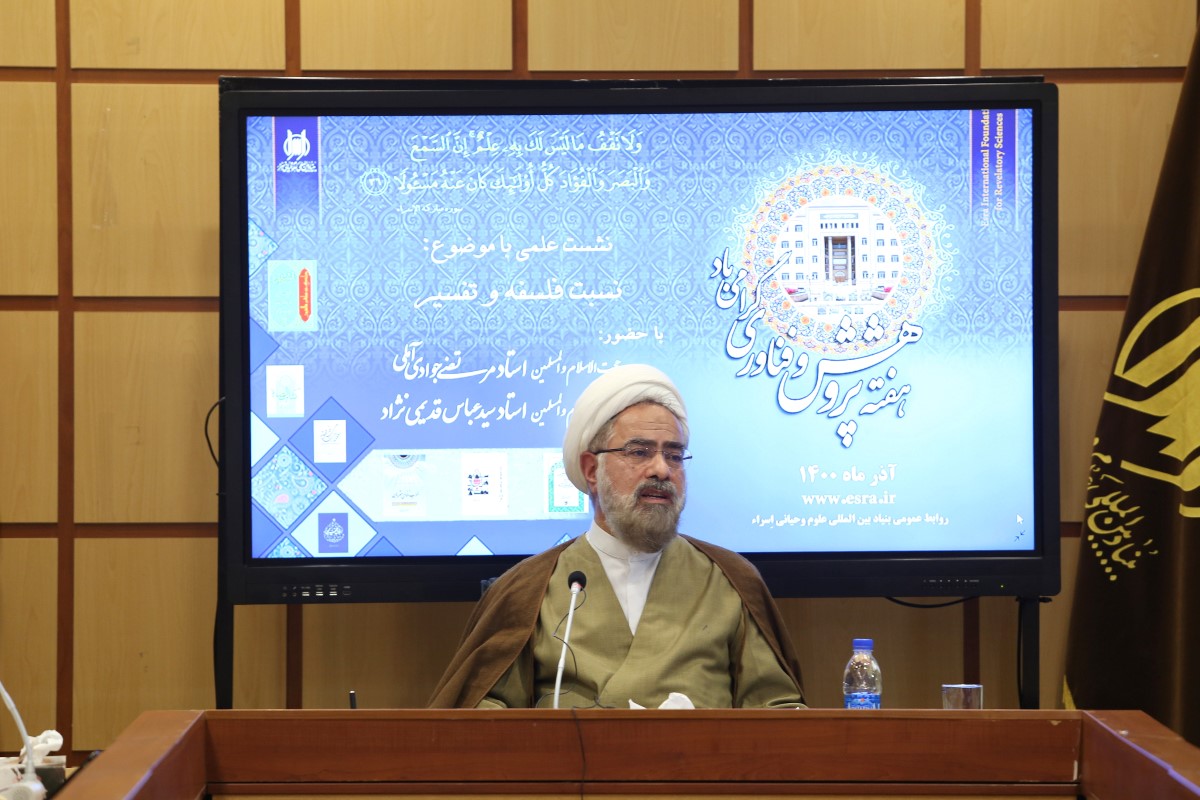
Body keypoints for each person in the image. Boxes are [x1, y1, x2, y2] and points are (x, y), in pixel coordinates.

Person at [427, 364, 805, 709]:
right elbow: (482, 720)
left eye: (674, 455)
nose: (661, 470)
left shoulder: (730, 581)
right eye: (639, 452)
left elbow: (779, 713)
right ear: (592, 470)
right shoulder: (529, 589)